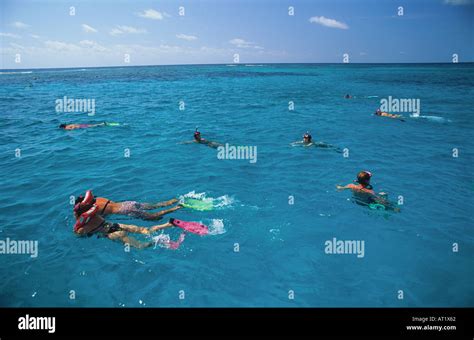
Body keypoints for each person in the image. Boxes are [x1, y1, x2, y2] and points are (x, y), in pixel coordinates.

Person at [75, 191, 182, 221]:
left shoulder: (95, 210)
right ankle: (175, 200)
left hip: (126, 209)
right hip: (129, 203)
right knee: (155, 205)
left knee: (153, 217)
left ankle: (175, 208)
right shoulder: (98, 199)